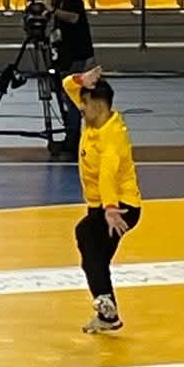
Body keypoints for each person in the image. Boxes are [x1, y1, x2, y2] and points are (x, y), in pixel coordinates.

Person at [60, 65, 143, 334]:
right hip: (101, 207)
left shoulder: (112, 137)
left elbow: (108, 174)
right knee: (95, 261)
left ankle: (106, 306)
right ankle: (108, 314)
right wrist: (80, 79)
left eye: (84, 104)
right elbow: (67, 86)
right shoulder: (95, 120)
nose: (80, 108)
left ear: (97, 106)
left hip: (121, 208)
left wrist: (110, 208)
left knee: (85, 234)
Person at [44, 0, 94, 160]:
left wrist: (52, 10)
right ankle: (70, 133)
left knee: (71, 95)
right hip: (64, 54)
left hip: (76, 54)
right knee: (65, 93)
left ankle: (73, 137)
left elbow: (73, 18)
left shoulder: (73, 0)